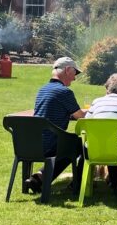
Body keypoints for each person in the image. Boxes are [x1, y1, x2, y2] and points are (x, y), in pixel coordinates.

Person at [28, 56, 87, 194]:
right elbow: (81, 116)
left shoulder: (42, 90)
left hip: (32, 144)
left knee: (71, 145)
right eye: (74, 73)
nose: (74, 78)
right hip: (51, 144)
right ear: (67, 70)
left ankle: (39, 178)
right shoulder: (64, 92)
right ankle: (77, 185)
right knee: (82, 145)